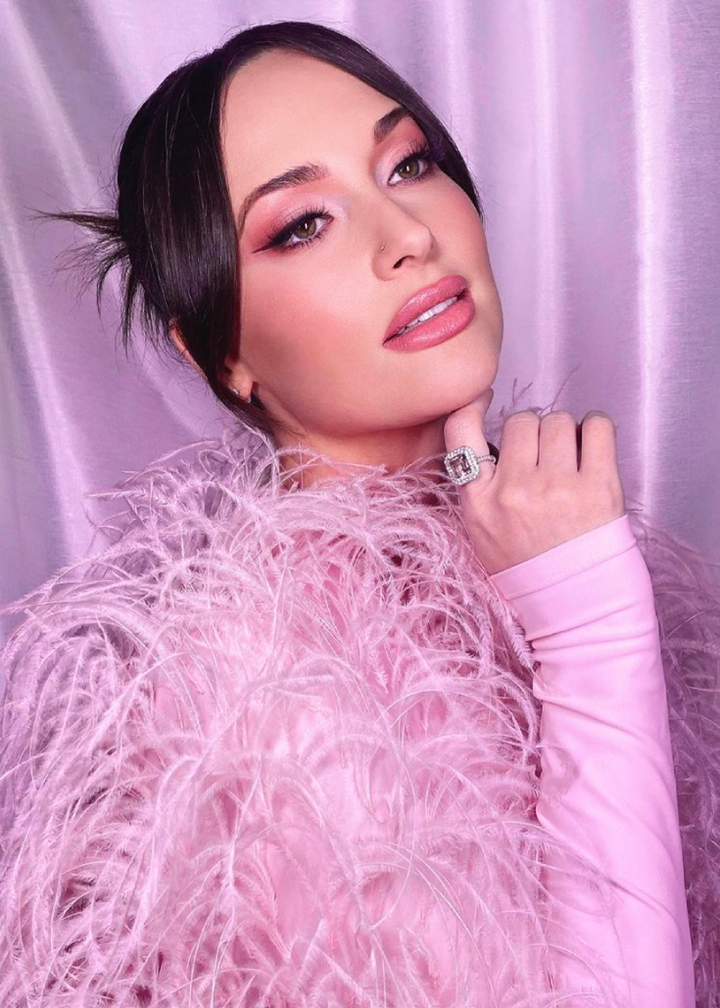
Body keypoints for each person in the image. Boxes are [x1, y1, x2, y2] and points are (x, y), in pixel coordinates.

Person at [1, 19, 719, 1007]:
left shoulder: (533, 529)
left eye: (407, 164)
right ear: (219, 353)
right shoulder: (266, 689)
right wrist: (591, 628)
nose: (409, 236)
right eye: (302, 224)